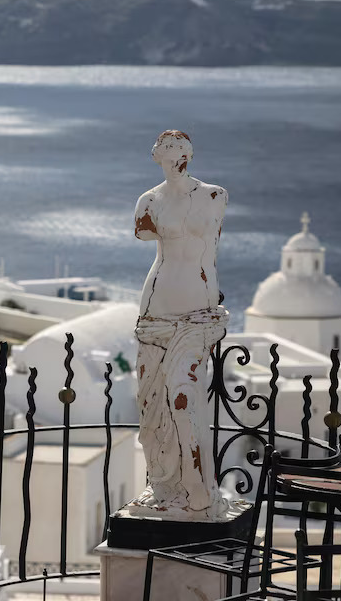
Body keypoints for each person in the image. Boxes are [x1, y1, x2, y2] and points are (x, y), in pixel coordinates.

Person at [130, 129, 232, 521]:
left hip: (197, 311)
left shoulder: (214, 195)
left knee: (183, 397)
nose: (176, 155)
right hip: (156, 307)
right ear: (157, 156)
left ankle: (199, 491)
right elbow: (146, 237)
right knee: (151, 403)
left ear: (190, 154)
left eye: (181, 148)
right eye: (168, 149)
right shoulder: (149, 201)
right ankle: (164, 487)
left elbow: (210, 253)